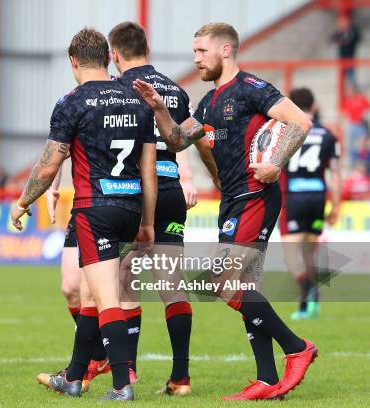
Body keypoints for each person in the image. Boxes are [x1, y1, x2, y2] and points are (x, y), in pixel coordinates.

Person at [133, 23, 317, 401]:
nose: (196, 58)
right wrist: (159, 109)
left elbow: (301, 121)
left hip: (256, 195)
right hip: (233, 199)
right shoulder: (208, 102)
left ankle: (297, 347)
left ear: (225, 51)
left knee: (223, 282)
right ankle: (267, 379)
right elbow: (178, 140)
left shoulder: (251, 89)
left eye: (202, 51)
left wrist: (277, 161)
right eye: (195, 51)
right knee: (247, 289)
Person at [10, 28, 156, 400]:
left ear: (73, 61)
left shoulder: (72, 102)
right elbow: (149, 168)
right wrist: (147, 221)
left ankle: (123, 384)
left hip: (95, 210)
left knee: (107, 297)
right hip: (130, 205)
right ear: (107, 57)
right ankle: (74, 378)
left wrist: (24, 201)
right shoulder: (136, 99)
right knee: (91, 295)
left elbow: (47, 167)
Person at [109, 21, 221, 396]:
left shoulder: (117, 89)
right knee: (172, 287)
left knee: (124, 285)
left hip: (134, 192)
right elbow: (185, 139)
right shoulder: (173, 88)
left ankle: (129, 372)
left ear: (115, 54)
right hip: (171, 190)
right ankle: (181, 378)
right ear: (148, 50)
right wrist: (213, 179)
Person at [279, 88, 341, 320]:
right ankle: (310, 304)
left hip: (293, 198)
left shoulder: (286, 133)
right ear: (314, 106)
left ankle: (307, 290)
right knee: (308, 254)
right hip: (317, 197)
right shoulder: (328, 135)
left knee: (290, 254)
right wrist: (335, 206)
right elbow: (335, 175)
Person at [331, 13, 361, 87]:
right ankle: (345, 86)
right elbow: (333, 38)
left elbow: (351, 39)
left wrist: (343, 39)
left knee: (350, 73)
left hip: (349, 57)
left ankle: (353, 86)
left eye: (343, 22)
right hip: (342, 57)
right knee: (343, 73)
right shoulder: (339, 32)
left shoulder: (353, 31)